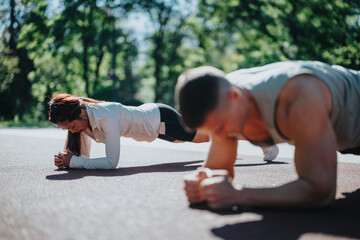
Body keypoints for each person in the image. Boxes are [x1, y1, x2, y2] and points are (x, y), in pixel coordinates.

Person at [175, 60, 360, 209]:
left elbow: (320, 191)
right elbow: (219, 169)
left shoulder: (298, 97)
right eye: (213, 130)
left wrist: (238, 194)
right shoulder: (221, 101)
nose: (219, 135)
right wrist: (203, 181)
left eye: (221, 126)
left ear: (235, 97)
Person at [48, 93, 279, 170]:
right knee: (202, 137)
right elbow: (84, 158)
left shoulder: (104, 115)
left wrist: (74, 163)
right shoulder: (84, 119)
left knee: (209, 134)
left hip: (160, 119)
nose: (72, 131)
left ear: (78, 114)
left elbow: (111, 163)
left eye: (70, 127)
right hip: (155, 128)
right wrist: (71, 159)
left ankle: (261, 136)